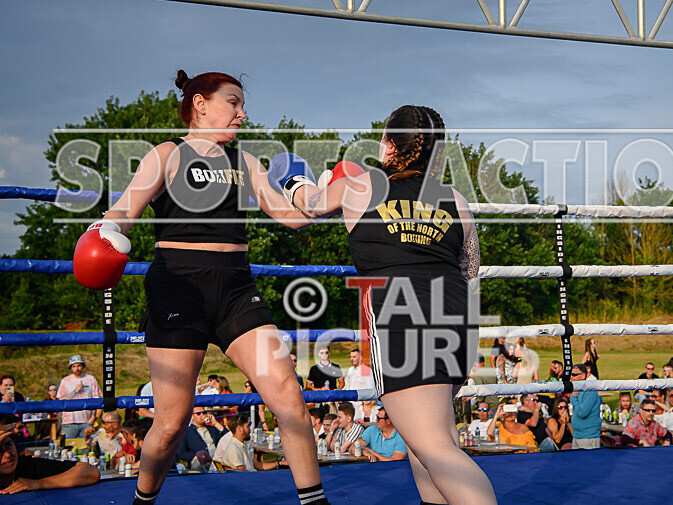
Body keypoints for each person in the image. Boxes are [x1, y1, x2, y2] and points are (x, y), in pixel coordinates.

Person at [72, 70, 329, 505]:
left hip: (235, 289)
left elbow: (294, 217)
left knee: (289, 398)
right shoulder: (167, 154)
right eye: (233, 103)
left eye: (242, 105)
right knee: (172, 422)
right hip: (178, 287)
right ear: (200, 104)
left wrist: (307, 187)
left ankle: (315, 502)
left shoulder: (246, 162)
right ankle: (142, 501)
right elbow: (126, 208)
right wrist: (106, 234)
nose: (242, 114)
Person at [284, 105, 495, 504]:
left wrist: (293, 176)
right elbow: (470, 272)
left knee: (436, 448)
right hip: (456, 318)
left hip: (402, 319)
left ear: (387, 143)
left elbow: (309, 204)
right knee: (426, 446)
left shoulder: (358, 187)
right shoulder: (455, 199)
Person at [0, 429, 99, 495]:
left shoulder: (27, 465)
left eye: (8, 445)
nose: (7, 454)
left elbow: (90, 472)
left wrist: (38, 483)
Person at [56, 355, 102, 439]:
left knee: (85, 447)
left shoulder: (91, 379)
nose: (77, 368)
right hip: (69, 422)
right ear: (70, 368)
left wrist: (93, 418)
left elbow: (97, 399)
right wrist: (75, 391)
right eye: (74, 366)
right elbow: (60, 400)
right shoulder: (65, 381)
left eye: (79, 365)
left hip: (86, 421)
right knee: (68, 447)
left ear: (83, 366)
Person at [568, 364, 601, 449]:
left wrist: (573, 398)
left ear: (583, 376)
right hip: (577, 435)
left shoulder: (590, 391)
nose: (571, 377)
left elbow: (582, 412)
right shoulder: (578, 390)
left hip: (588, 437)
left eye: (574, 375)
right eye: (570, 374)